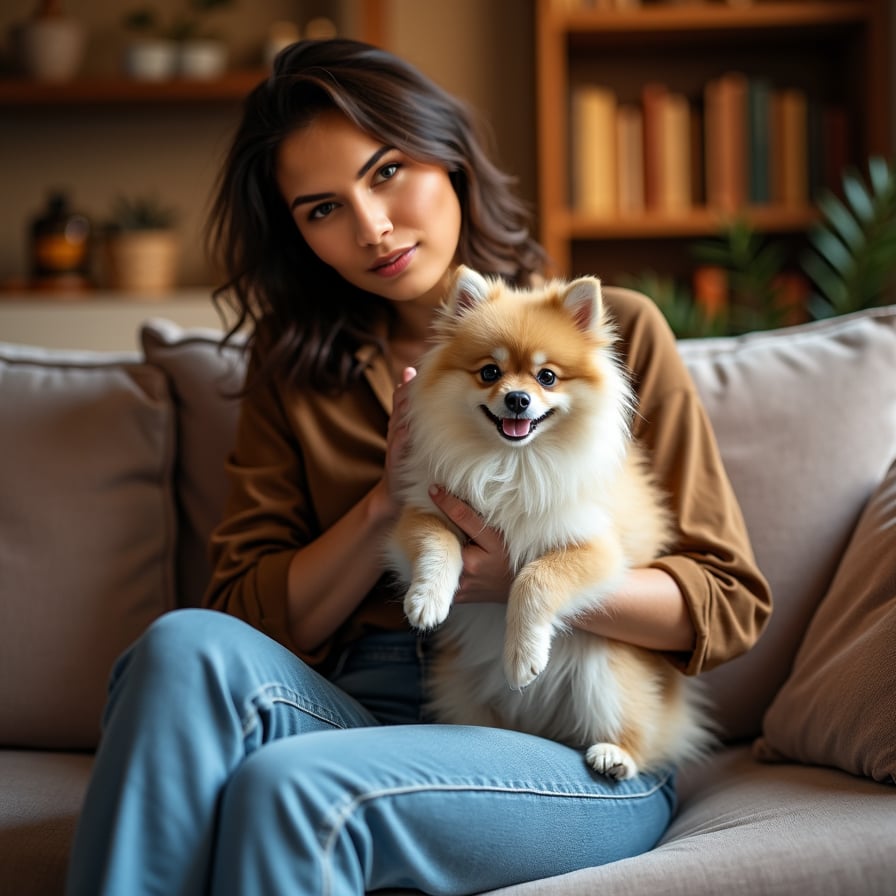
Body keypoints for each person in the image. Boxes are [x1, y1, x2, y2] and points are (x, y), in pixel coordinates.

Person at [65, 38, 771, 896]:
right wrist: (383, 505)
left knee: (295, 788)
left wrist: (521, 580)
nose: (372, 226)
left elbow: (727, 602)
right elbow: (245, 611)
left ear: (450, 157)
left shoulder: (604, 334)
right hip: (356, 700)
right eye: (321, 209)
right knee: (182, 645)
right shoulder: (294, 369)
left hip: (568, 722)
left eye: (387, 171)